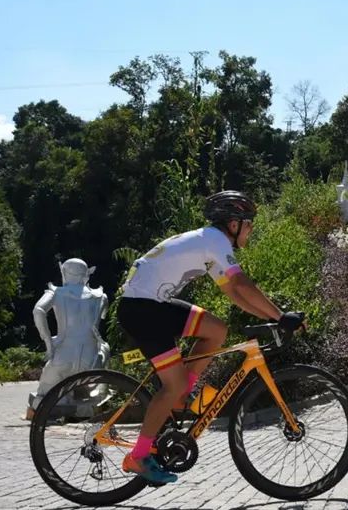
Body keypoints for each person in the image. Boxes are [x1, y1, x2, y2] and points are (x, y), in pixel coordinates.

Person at [116, 190, 304, 485]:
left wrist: (273, 318)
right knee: (173, 382)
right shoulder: (215, 241)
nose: (251, 229)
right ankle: (138, 455)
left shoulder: (210, 244)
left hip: (152, 304)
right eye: (249, 223)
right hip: (143, 309)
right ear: (233, 224)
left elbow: (234, 293)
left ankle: (180, 395)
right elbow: (242, 282)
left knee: (216, 329)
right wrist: (281, 316)